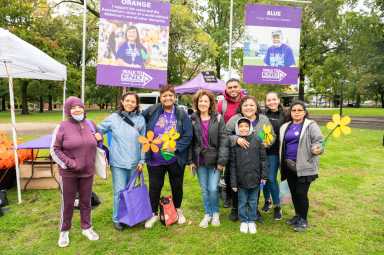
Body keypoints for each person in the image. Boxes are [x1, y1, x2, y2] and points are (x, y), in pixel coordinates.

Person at [51, 96, 100, 248]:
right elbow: (54, 150)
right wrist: (70, 163)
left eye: (79, 107)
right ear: (68, 110)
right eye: (73, 107)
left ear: (83, 108)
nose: (77, 109)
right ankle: (64, 231)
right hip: (69, 173)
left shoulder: (90, 124)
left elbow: (97, 141)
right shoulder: (62, 126)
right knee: (68, 203)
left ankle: (87, 227)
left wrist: (100, 138)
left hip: (88, 171)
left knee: (86, 201)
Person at [142, 84, 193, 228]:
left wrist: (176, 148)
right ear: (161, 97)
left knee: (177, 186)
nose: (167, 98)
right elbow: (139, 121)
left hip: (175, 158)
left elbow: (188, 135)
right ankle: (153, 214)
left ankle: (177, 210)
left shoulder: (182, 114)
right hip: (155, 158)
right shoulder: (152, 110)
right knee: (154, 187)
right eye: (164, 95)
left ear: (174, 97)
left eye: (170, 95)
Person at [96, 92, 146, 231]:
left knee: (131, 192)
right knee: (119, 191)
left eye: (133, 101)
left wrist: (142, 160)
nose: (130, 103)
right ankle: (117, 218)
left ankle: (130, 216)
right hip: (118, 163)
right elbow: (98, 129)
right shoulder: (113, 118)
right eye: (127, 101)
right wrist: (97, 136)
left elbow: (144, 142)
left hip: (135, 163)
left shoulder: (141, 120)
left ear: (136, 104)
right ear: (122, 102)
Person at [226, 96, 275, 222]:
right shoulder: (235, 119)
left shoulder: (263, 119)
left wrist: (267, 143)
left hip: (255, 160)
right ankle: (236, 209)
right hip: (238, 159)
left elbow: (272, 135)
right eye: (245, 105)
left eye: (252, 105)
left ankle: (254, 210)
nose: (249, 107)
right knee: (238, 183)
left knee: (255, 184)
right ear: (241, 107)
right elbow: (224, 134)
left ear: (256, 107)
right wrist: (236, 139)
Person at [280, 101, 324, 232]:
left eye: (300, 110)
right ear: (290, 112)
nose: (297, 112)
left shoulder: (311, 125)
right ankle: (297, 216)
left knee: (301, 193)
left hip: (305, 165)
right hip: (289, 165)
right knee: (294, 193)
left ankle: (303, 220)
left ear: (305, 112)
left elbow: (319, 141)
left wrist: (318, 148)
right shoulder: (285, 126)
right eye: (294, 110)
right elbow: (277, 139)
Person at [189, 90, 228, 228]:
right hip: (199, 160)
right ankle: (208, 214)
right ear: (196, 103)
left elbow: (224, 140)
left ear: (211, 103)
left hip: (215, 160)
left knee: (212, 188)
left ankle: (215, 213)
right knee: (204, 189)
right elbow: (191, 142)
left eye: (206, 101)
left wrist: (222, 161)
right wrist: (191, 161)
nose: (203, 103)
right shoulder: (193, 119)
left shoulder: (218, 118)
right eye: (200, 101)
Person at [230, 118, 267, 234]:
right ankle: (243, 220)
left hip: (255, 179)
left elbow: (263, 160)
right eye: (241, 126)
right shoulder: (236, 144)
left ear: (250, 127)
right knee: (242, 201)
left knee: (253, 201)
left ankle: (251, 220)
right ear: (237, 128)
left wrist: (263, 176)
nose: (243, 128)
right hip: (241, 181)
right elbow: (232, 165)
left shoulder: (257, 140)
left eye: (246, 126)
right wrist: (234, 183)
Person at [217, 78, 245, 209]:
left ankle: (242, 196)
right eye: (230, 87)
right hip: (227, 141)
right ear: (226, 89)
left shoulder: (247, 101)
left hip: (245, 142)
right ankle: (228, 196)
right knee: (228, 171)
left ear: (240, 88)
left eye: (235, 86)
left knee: (242, 171)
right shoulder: (221, 104)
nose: (233, 89)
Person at [261, 92, 287, 220]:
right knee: (263, 178)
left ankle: (277, 206)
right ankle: (267, 200)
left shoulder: (286, 115)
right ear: (266, 102)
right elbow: (260, 131)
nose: (272, 102)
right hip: (262, 151)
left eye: (274, 99)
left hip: (276, 152)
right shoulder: (262, 115)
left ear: (278, 100)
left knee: (271, 178)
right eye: (269, 100)